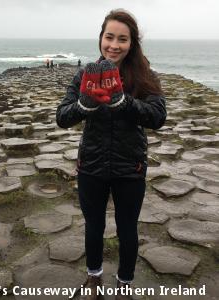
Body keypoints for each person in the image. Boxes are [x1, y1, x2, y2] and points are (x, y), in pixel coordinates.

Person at [56, 9, 166, 300]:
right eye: (109, 37)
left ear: (132, 43)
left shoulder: (144, 75)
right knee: (94, 226)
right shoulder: (85, 73)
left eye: (122, 39)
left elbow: (157, 117)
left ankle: (124, 285)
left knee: (127, 229)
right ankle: (94, 279)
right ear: (101, 38)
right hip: (91, 165)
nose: (114, 45)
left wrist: (123, 101)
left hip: (130, 166)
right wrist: (85, 104)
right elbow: (62, 117)